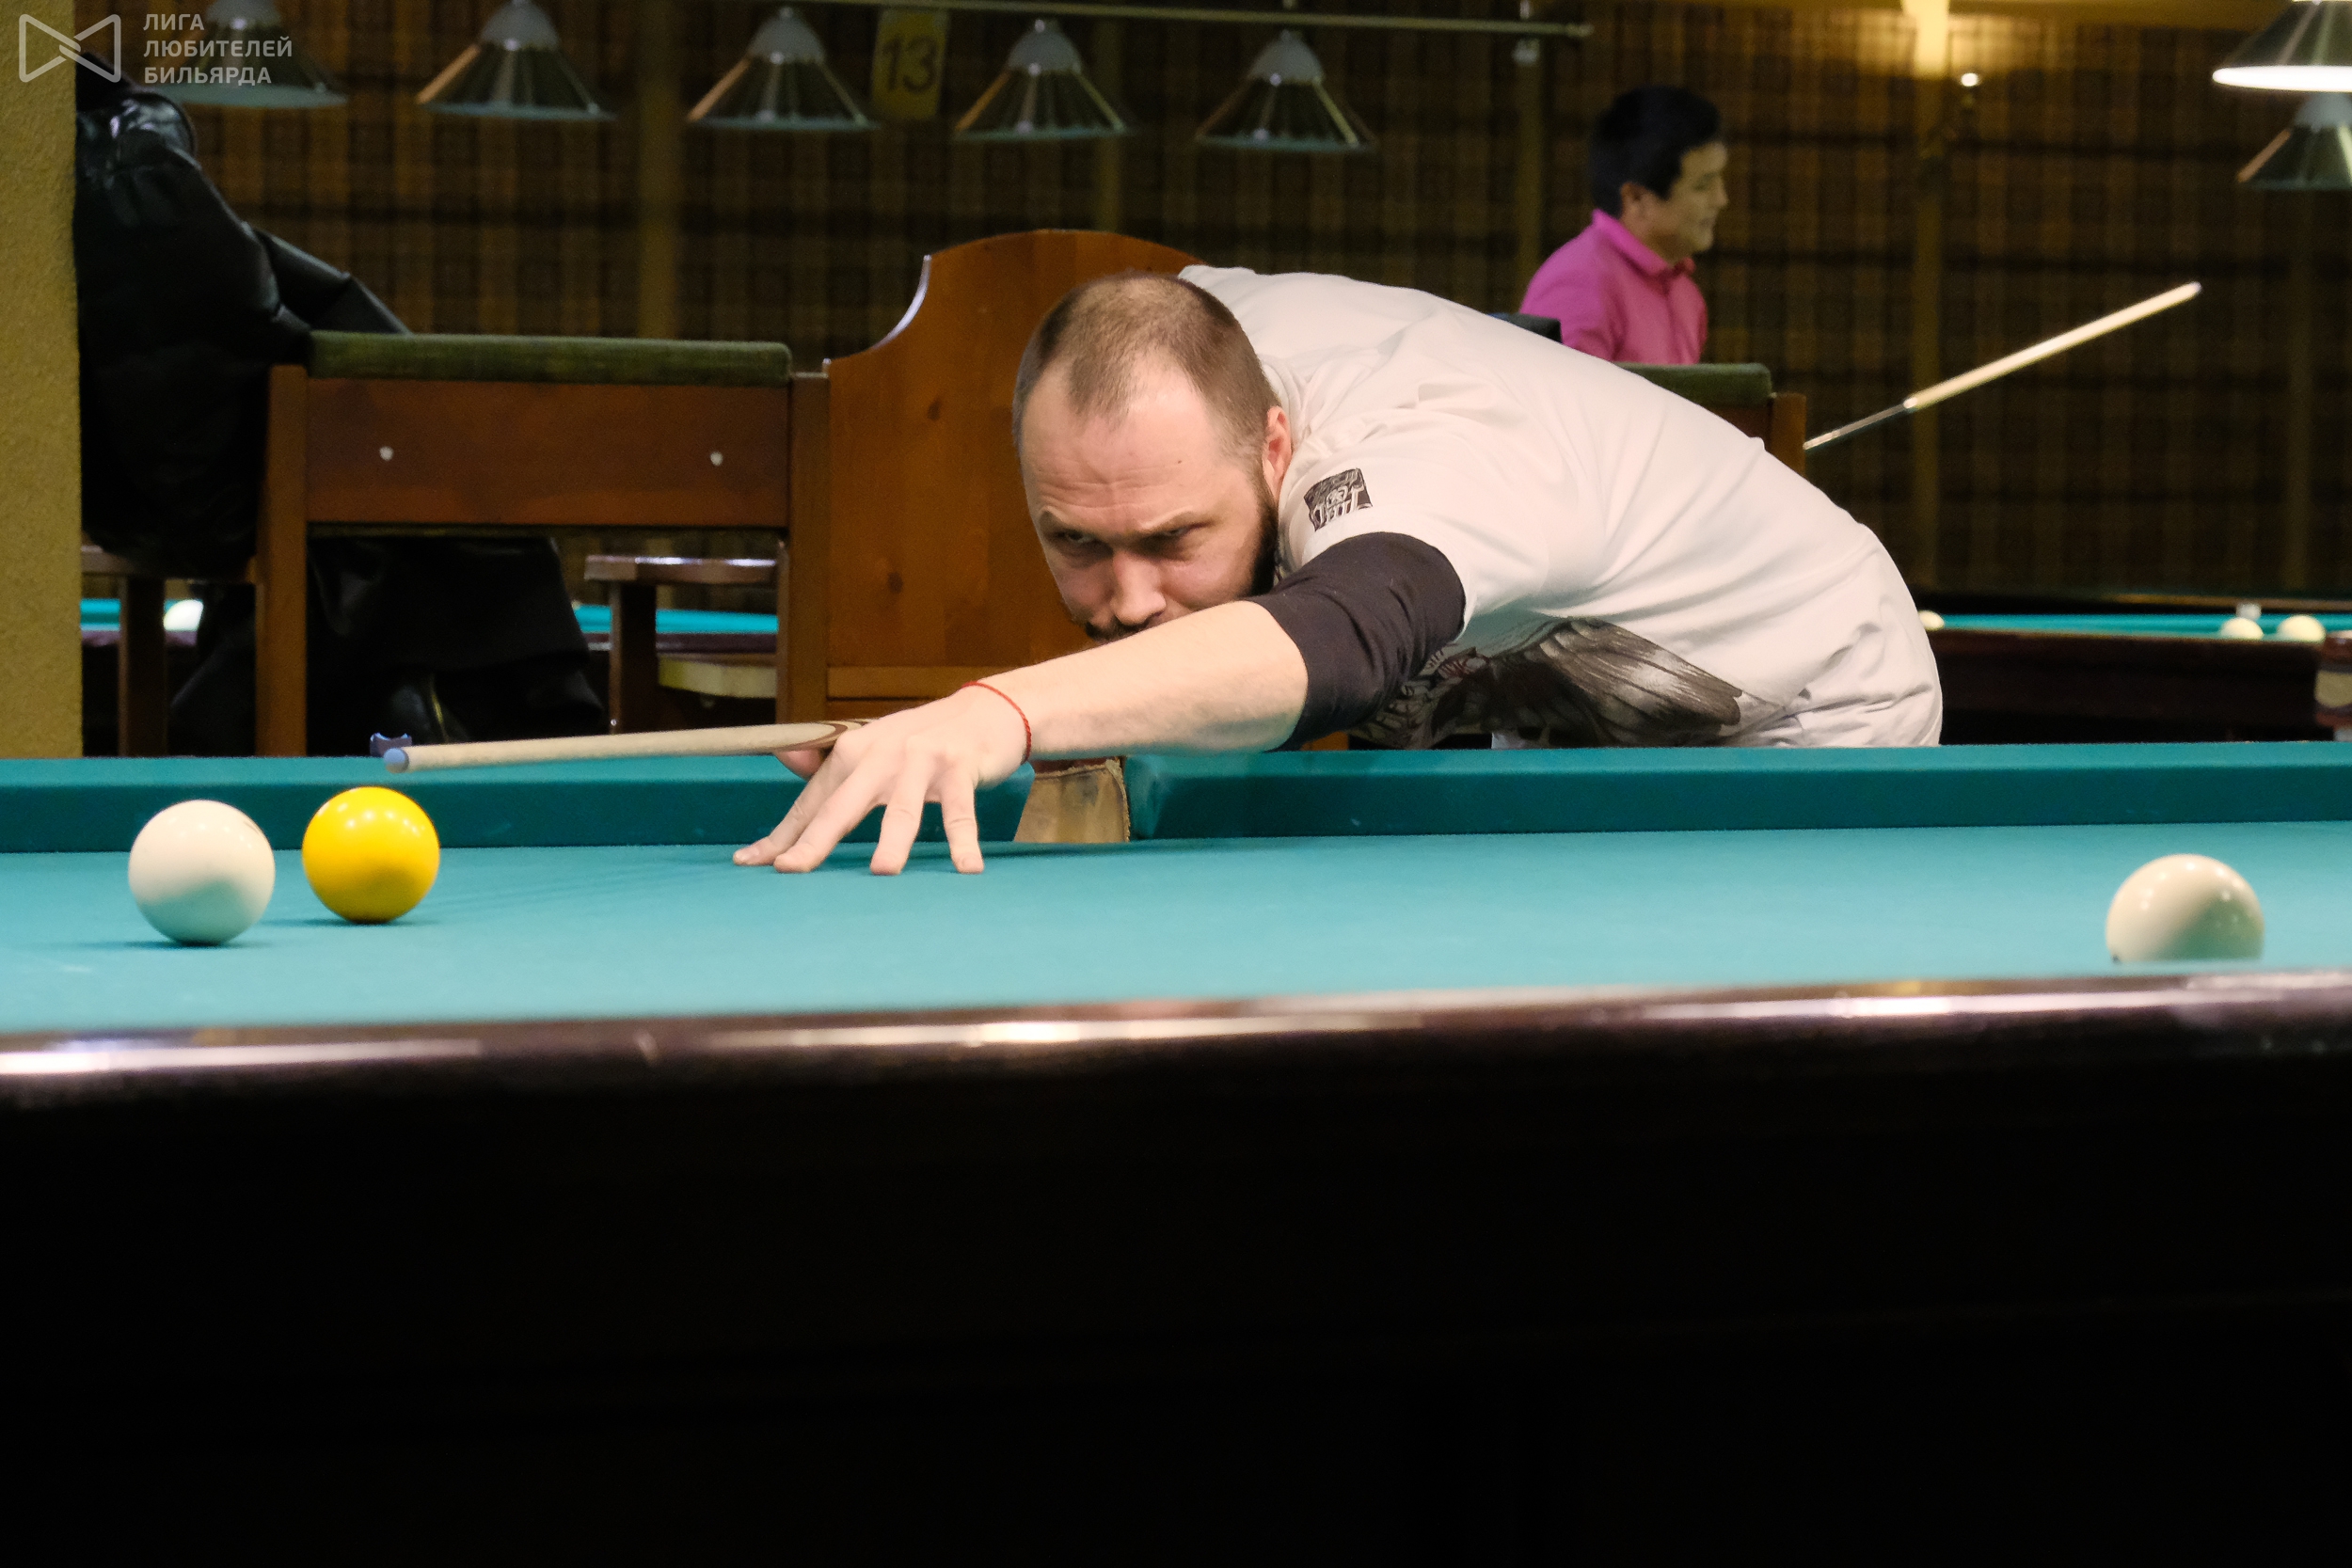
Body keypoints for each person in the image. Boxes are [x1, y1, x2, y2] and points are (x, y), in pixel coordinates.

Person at [738, 268, 1940, 879]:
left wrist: (996, 711)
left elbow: (1343, 642)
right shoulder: (1190, 343)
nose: (1128, 599)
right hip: (1560, 704)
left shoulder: (1428, 458)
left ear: (1274, 447)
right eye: (1078, 542)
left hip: (1796, 707)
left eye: (1173, 540)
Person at [74, 71, 605, 754]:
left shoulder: (111, 166)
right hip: (240, 488)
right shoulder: (136, 159)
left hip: (158, 500)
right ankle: (455, 728)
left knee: (421, 507)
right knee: (447, 504)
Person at [1518, 86, 1727, 364]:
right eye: (1702, 185)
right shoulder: (1581, 283)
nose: (1721, 199)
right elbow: (1556, 391)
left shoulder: (1686, 295)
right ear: (1636, 198)